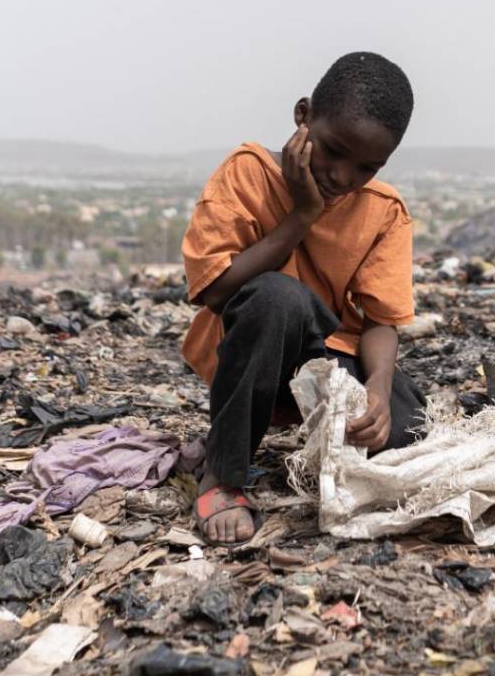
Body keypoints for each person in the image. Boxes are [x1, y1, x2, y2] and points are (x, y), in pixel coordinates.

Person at [180, 51, 426, 545]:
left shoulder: (382, 210)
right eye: (333, 151)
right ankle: (224, 474)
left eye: (365, 166)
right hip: (250, 353)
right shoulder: (248, 174)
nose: (341, 176)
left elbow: (380, 320)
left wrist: (377, 388)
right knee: (278, 299)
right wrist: (302, 215)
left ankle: (347, 423)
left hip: (325, 358)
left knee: (408, 431)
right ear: (303, 116)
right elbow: (215, 292)